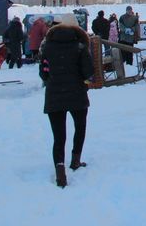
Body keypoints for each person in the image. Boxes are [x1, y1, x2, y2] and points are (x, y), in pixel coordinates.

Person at [39, 19, 94, 188]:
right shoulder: (80, 46)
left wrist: (53, 81)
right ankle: (75, 160)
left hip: (54, 95)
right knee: (80, 127)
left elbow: (44, 72)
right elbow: (88, 72)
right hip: (77, 94)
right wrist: (84, 82)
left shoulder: (47, 47)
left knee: (59, 136)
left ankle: (60, 170)